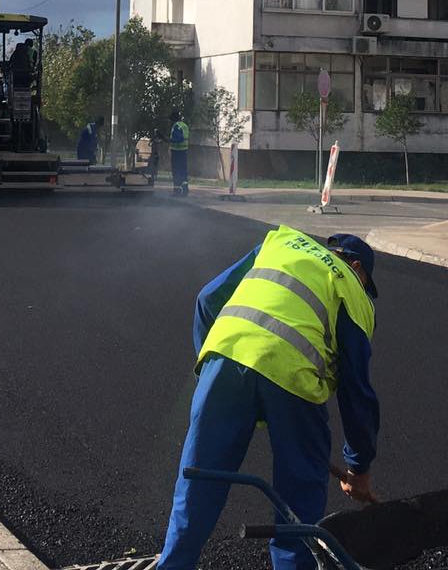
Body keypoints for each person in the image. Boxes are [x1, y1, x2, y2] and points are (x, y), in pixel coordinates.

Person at [156, 227, 380, 570]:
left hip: (225, 359)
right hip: (293, 377)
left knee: (199, 481)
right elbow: (357, 391)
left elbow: (207, 299)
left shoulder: (280, 243)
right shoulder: (351, 288)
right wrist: (359, 467)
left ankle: (174, 565)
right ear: (357, 267)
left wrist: (214, 369)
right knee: (298, 502)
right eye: (367, 282)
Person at [168, 110, 191, 195]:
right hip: (184, 151)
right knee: (183, 171)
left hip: (176, 152)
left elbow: (179, 139)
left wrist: (170, 140)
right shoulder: (184, 125)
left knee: (176, 171)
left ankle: (177, 191)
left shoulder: (176, 126)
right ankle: (185, 189)